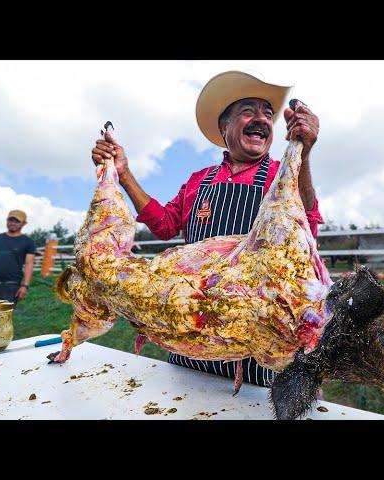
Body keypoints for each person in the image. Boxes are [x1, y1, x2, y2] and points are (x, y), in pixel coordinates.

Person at [91, 71, 323, 388]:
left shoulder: (279, 178)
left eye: (268, 113)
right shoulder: (200, 179)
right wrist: (123, 172)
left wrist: (303, 153)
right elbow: (164, 224)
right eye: (248, 111)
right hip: (191, 338)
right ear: (224, 127)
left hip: (256, 349)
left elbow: (307, 227)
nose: (262, 119)